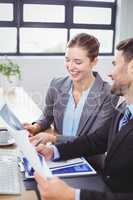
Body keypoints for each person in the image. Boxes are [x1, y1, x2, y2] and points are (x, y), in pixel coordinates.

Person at [34, 38, 133, 200]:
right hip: (102, 187)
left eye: (115, 64)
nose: (110, 73)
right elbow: (96, 141)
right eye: (67, 60)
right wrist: (54, 151)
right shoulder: (124, 110)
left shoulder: (110, 98)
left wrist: (73, 195)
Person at [24, 33, 118, 147]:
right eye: (67, 60)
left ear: (94, 62)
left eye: (78, 62)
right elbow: (47, 115)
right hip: (55, 154)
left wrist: (54, 139)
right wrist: (35, 127)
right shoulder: (57, 85)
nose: (71, 66)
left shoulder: (108, 94)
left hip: (88, 160)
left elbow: (95, 139)